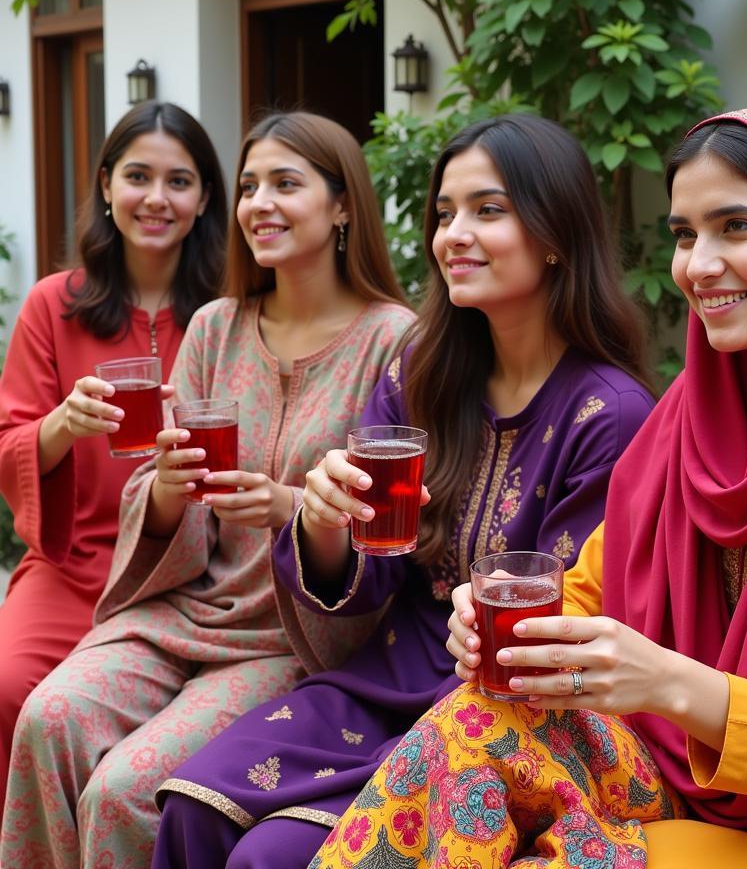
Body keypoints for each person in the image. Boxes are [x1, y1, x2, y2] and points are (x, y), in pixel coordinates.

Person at [308, 106, 747, 869]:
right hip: (694, 779)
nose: (699, 264)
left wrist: (668, 683)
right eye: (685, 234)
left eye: (738, 227)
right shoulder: (704, 408)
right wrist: (506, 637)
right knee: (473, 720)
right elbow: (591, 587)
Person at [150, 112, 657, 869]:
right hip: (384, 673)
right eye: (444, 214)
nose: (454, 233)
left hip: (495, 712)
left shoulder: (606, 413)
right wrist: (323, 522)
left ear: (556, 234)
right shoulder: (423, 370)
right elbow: (370, 574)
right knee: (191, 805)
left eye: (488, 210)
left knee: (269, 854)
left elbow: (563, 631)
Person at [0, 112, 414, 869]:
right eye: (250, 185)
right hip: (180, 609)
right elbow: (165, 507)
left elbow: (401, 519)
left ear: (344, 204)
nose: (260, 202)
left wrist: (293, 509)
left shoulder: (394, 340)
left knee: (122, 790)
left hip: (288, 639)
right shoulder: (218, 326)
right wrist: (165, 488)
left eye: (286, 184)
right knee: (46, 718)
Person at [0, 101, 227, 809]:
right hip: (77, 567)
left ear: (204, 199)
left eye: (179, 181)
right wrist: (63, 426)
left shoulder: (230, 311)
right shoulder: (54, 305)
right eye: (137, 176)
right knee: (9, 687)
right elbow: (9, 443)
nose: (156, 199)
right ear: (105, 186)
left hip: (195, 579)